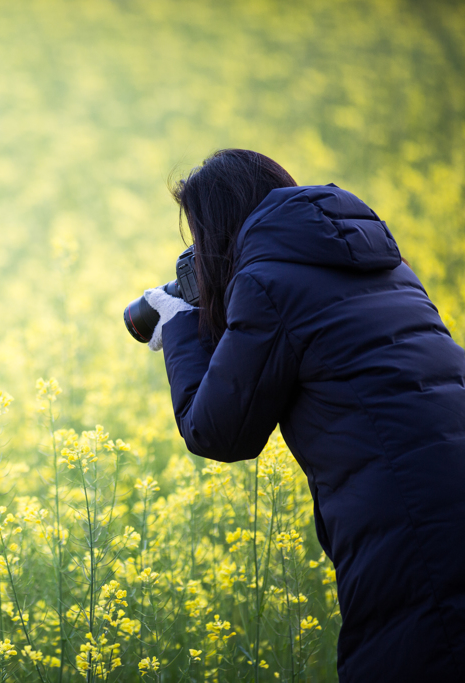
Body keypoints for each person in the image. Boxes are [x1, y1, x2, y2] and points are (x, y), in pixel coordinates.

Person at [143, 149, 465, 681]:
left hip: (410, 516)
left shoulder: (267, 282)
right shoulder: (385, 264)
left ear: (217, 230)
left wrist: (180, 323)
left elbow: (219, 432)